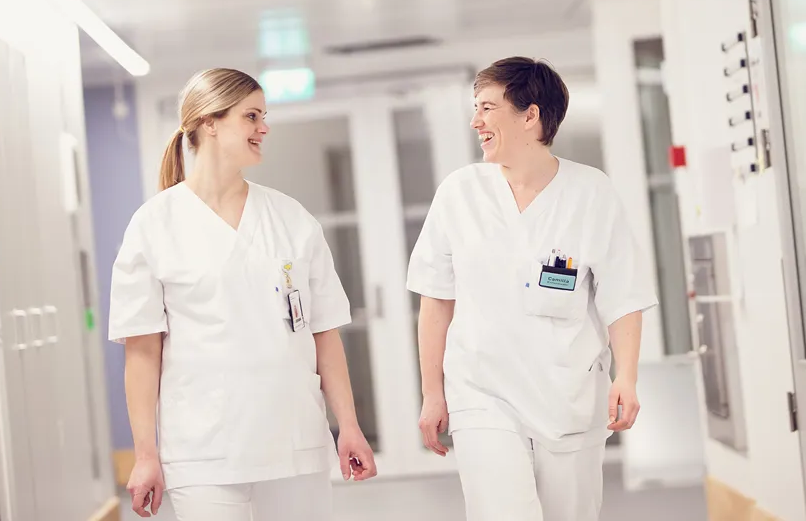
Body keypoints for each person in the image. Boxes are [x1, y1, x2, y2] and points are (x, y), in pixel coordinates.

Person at [109, 68, 376, 521]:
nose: (264, 128)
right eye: (251, 116)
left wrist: (347, 426)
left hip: (294, 442)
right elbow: (142, 350)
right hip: (203, 450)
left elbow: (324, 333)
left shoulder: (291, 219)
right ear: (209, 123)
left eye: (264, 116)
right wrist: (146, 454)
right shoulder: (154, 225)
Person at [407, 57, 657, 521]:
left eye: (486, 107)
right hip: (481, 395)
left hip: (568, 398)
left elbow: (622, 297)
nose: (475, 120)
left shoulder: (590, 193)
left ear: (530, 115)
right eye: (474, 107)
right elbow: (436, 299)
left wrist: (627, 376)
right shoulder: (459, 193)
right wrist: (432, 392)